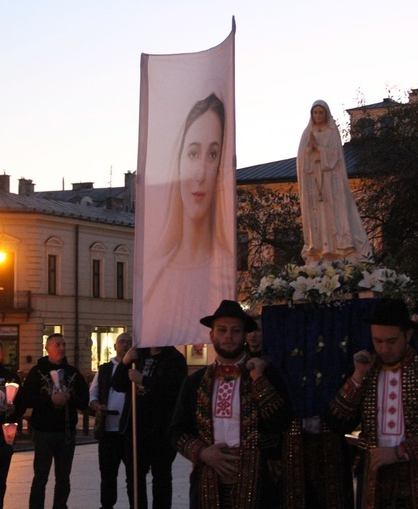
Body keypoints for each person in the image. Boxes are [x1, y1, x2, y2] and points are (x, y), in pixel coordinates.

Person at [326, 298, 418, 508]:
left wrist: (400, 452)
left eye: (391, 341)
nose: (383, 348)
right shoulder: (367, 371)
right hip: (374, 478)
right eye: (377, 341)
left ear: (408, 335)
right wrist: (357, 377)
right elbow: (337, 421)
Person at [169, 300, 292, 509]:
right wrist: (203, 453)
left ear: (244, 335)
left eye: (235, 331)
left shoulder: (266, 376)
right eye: (222, 330)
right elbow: (176, 430)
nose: (228, 336)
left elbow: (281, 422)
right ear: (211, 335)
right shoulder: (195, 382)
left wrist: (259, 381)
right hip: (208, 480)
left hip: (258, 483)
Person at [141, 93, 235, 346]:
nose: (201, 173)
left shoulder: (228, 267)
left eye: (213, 155)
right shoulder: (156, 276)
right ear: (178, 162)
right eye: (193, 153)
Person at [17, 333, 88, 509]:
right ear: (47, 348)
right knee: (40, 476)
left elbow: (84, 401)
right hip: (43, 431)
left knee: (63, 477)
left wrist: (69, 398)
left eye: (63, 344)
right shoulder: (37, 372)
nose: (61, 348)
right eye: (57, 344)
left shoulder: (73, 373)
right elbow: (26, 398)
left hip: (66, 432)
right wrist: (50, 400)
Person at [296, 100, 372, 264]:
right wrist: (309, 150)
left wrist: (319, 149)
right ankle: (321, 249)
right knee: (319, 214)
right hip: (314, 180)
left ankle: (339, 248)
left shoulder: (332, 132)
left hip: (331, 180)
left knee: (333, 212)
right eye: (315, 113)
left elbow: (336, 155)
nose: (318, 116)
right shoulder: (307, 133)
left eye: (320, 112)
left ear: (326, 114)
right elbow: (301, 158)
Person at [112, 343, 187, 509]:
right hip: (135, 428)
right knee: (134, 477)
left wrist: (143, 380)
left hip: (161, 430)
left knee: (161, 477)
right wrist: (124, 363)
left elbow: (173, 390)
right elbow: (117, 384)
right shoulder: (139, 355)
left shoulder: (174, 359)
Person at [88, 333, 132, 509]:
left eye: (129, 342)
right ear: (115, 346)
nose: (125, 345)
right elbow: (93, 394)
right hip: (108, 431)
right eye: (122, 342)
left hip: (129, 431)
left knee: (133, 475)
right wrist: (98, 406)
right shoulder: (105, 369)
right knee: (107, 474)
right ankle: (107, 505)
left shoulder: (135, 368)